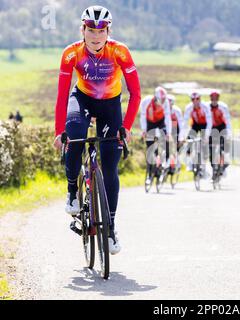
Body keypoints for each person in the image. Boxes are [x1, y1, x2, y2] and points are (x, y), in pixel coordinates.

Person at [53, 6, 141, 255]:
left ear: (107, 32)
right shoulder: (71, 53)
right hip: (81, 99)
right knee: (75, 136)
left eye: (100, 30)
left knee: (111, 166)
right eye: (90, 29)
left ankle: (111, 229)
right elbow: (62, 95)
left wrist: (126, 127)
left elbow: (135, 93)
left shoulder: (120, 52)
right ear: (82, 29)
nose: (95, 35)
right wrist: (60, 131)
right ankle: (72, 191)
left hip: (110, 106)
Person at [140, 86, 172, 183]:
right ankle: (149, 176)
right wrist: (144, 130)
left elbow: (167, 118)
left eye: (163, 100)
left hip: (161, 122)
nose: (162, 102)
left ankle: (166, 160)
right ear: (155, 97)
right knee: (150, 150)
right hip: (150, 123)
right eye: (160, 100)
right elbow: (142, 116)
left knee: (166, 139)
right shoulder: (146, 102)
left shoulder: (165, 102)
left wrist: (168, 133)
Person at [183, 92, 212, 173]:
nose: (195, 101)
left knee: (204, 145)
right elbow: (185, 122)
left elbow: (209, 122)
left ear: (200, 99)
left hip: (204, 125)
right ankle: (189, 163)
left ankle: (204, 165)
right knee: (189, 141)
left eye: (197, 99)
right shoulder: (189, 107)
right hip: (195, 125)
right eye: (193, 99)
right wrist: (183, 135)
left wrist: (207, 135)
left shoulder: (205, 107)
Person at [208, 91, 232, 175]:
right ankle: (213, 168)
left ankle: (223, 163)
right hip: (212, 128)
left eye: (216, 99)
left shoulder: (223, 107)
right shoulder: (207, 107)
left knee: (223, 146)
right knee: (211, 148)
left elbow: (228, 120)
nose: (214, 101)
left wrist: (229, 133)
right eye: (212, 99)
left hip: (222, 126)